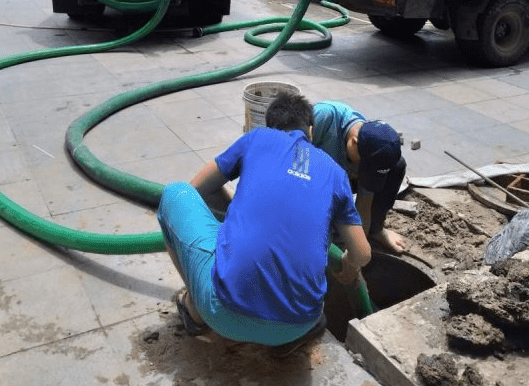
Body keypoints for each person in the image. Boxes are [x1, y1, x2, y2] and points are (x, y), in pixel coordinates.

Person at [157, 91, 371, 357]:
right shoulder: (335, 172)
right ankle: (285, 340)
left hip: (224, 315)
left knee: (175, 193)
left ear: (270, 125)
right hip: (300, 323)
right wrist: (349, 268)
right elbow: (362, 252)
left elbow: (197, 188)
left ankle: (195, 312)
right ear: (311, 131)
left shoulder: (256, 138)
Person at [312, 101, 407, 254]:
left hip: (340, 178)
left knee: (397, 166)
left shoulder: (370, 152)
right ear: (353, 142)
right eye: (362, 167)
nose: (361, 172)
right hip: (308, 176)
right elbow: (288, 160)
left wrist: (354, 255)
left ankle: (376, 232)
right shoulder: (324, 118)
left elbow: (364, 205)